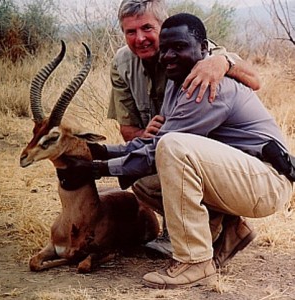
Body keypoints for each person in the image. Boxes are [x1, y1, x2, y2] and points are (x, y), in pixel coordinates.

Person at [60, 13, 294, 289]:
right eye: (165, 49)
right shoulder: (177, 83)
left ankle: (194, 263)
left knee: (172, 148)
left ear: (204, 49)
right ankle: (231, 229)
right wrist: (101, 151)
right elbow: (153, 142)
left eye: (179, 48)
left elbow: (160, 148)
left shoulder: (207, 85)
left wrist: (96, 169)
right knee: (147, 183)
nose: (169, 56)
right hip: (241, 177)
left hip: (266, 182)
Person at [107, 0, 261, 262]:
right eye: (130, 32)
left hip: (218, 156)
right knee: (142, 177)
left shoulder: (196, 48)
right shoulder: (122, 62)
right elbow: (127, 128)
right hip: (168, 147)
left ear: (163, 25)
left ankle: (199, 242)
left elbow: (255, 80)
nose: (140, 38)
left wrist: (223, 62)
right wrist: (147, 134)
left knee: (171, 153)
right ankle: (226, 229)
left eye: (147, 28)